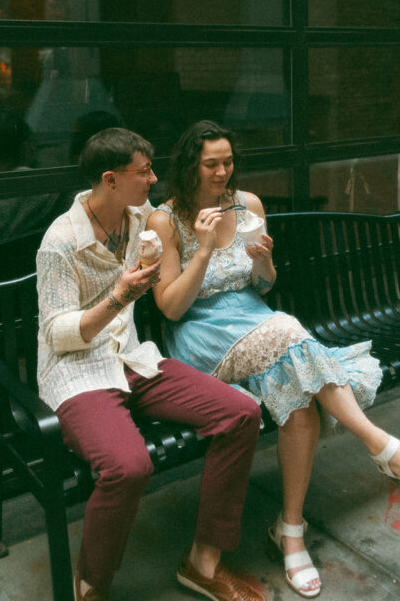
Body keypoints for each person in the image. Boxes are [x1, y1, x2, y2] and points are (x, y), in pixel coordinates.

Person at [148, 120, 400, 600]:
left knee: (301, 403)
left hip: (257, 323)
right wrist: (204, 250)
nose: (223, 172)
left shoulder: (248, 206)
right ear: (189, 165)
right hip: (201, 334)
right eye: (212, 164)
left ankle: (290, 532)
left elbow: (264, 287)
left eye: (228, 162)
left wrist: (264, 262)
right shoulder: (165, 220)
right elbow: (170, 307)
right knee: (290, 330)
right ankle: (381, 446)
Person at [36, 126, 267, 601]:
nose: (154, 178)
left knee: (241, 413)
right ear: (110, 179)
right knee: (129, 465)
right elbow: (57, 334)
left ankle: (203, 562)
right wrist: (119, 296)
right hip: (78, 372)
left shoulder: (140, 216)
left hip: (134, 361)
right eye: (144, 172)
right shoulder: (60, 242)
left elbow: (183, 216)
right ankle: (91, 586)